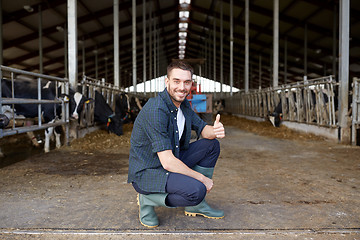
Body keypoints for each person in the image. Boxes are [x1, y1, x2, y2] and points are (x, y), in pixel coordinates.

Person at [127, 60, 225, 228]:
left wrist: (215, 130)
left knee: (212, 145)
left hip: (171, 161)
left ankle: (197, 205)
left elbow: (202, 129)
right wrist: (202, 179)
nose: (182, 87)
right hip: (149, 171)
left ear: (191, 84)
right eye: (176, 81)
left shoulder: (183, 105)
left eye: (187, 82)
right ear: (167, 82)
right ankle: (147, 199)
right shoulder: (156, 110)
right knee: (197, 190)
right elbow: (167, 162)